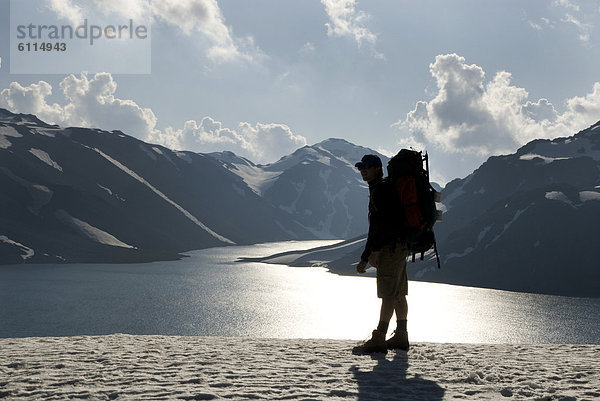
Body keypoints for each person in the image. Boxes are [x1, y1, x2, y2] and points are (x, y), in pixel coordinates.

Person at [353, 154, 410, 354]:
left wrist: (372, 252)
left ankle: (379, 338)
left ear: (378, 168)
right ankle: (401, 336)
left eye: (367, 166)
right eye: (360, 167)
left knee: (388, 293)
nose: (363, 170)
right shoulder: (385, 187)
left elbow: (380, 225)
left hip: (390, 248)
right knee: (398, 292)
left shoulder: (380, 189)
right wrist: (366, 255)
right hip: (400, 246)